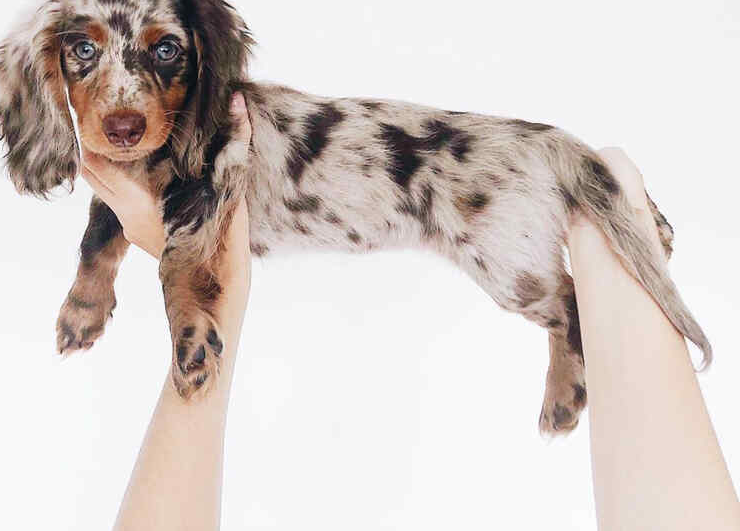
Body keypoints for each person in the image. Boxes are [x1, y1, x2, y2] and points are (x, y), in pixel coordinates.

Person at [81, 93, 740, 531]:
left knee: (515, 279)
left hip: (436, 179)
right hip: (428, 165)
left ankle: (591, 259)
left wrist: (206, 272)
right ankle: (612, 199)